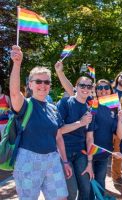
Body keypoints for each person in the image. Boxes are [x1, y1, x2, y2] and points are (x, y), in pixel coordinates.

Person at [10, 45, 72, 199]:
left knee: (61, 197)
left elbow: (58, 137)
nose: (43, 85)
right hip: (28, 160)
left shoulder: (53, 108)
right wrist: (17, 64)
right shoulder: (25, 104)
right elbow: (14, 93)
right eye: (38, 81)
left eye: (47, 82)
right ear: (30, 84)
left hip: (52, 160)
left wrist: (64, 161)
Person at [57, 76, 94, 199]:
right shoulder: (65, 103)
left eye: (88, 86)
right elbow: (58, 131)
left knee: (86, 189)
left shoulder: (91, 108)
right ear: (76, 87)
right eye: (82, 85)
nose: (85, 88)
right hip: (64, 152)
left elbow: (90, 139)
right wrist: (80, 123)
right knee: (71, 192)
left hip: (81, 153)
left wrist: (89, 163)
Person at [89, 79, 117, 193]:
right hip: (88, 151)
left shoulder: (114, 107)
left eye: (106, 88)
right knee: (87, 184)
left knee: (100, 181)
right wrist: (60, 73)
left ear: (111, 90)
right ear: (96, 91)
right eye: (100, 88)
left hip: (104, 151)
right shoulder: (91, 103)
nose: (103, 90)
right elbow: (72, 90)